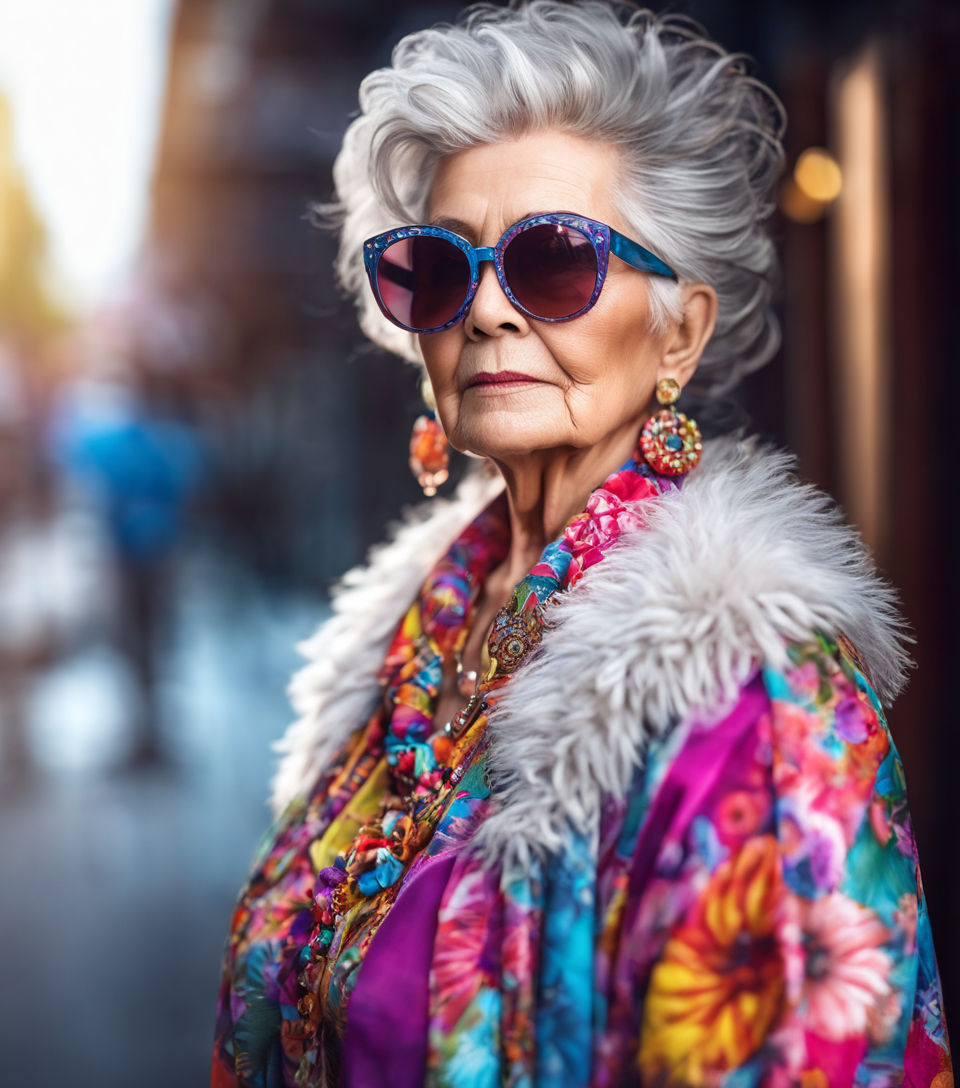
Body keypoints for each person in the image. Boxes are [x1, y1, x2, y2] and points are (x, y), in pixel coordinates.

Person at [211, 3, 952, 1085]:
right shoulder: (420, 635)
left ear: (680, 330)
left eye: (554, 261)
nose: (490, 313)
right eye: (440, 266)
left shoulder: (761, 707)